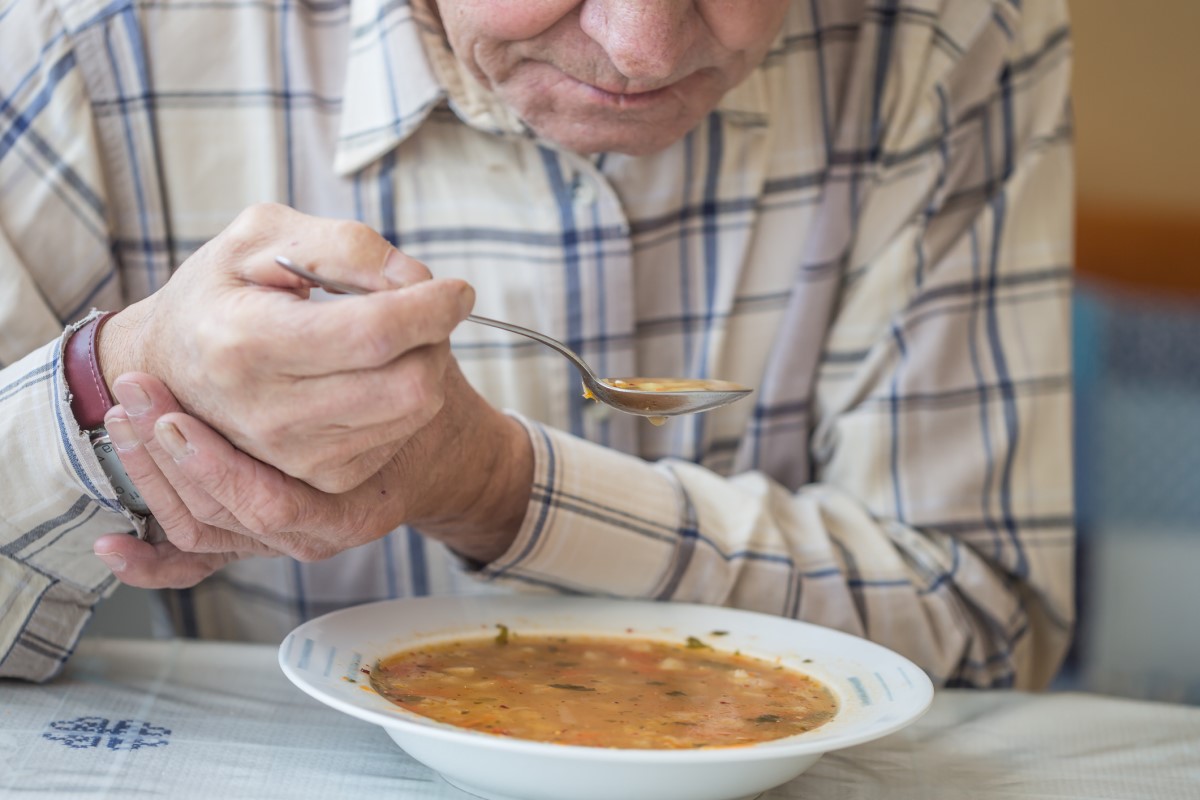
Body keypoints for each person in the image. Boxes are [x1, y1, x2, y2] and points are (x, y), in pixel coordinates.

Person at [0, 0, 1074, 688]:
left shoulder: (950, 37)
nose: (640, 47)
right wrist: (107, 379)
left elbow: (987, 625)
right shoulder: (81, 38)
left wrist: (498, 484)